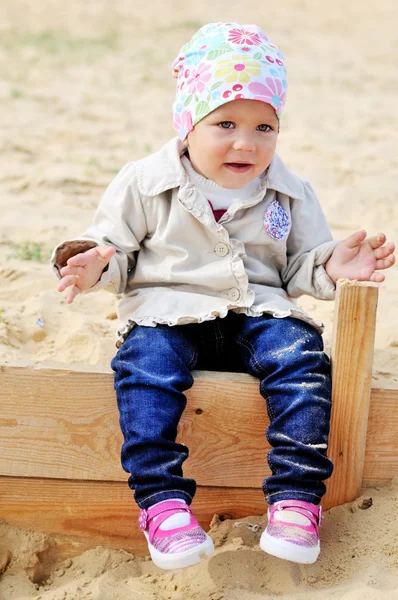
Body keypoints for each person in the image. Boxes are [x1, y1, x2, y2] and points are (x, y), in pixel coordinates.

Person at [51, 22, 395, 571]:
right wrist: (93, 262)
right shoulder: (143, 183)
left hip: (259, 311)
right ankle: (162, 503)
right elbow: (115, 252)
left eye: (265, 126)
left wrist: (332, 262)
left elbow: (300, 264)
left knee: (302, 362)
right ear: (188, 124)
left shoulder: (290, 191)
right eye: (225, 123)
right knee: (144, 373)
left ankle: (296, 499)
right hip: (167, 312)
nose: (246, 141)